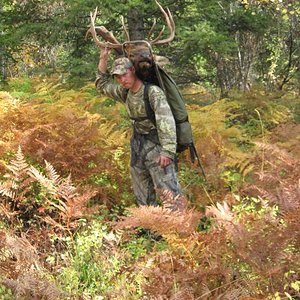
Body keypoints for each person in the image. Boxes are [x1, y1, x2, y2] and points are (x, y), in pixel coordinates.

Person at [95, 47, 182, 207]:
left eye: (124, 74)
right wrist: (103, 59)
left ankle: (178, 229)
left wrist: (168, 151)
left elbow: (166, 120)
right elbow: (102, 85)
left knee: (169, 195)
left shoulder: (153, 92)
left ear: (133, 71)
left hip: (158, 149)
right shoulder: (125, 92)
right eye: (118, 77)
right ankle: (150, 230)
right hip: (138, 148)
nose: (122, 80)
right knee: (143, 196)